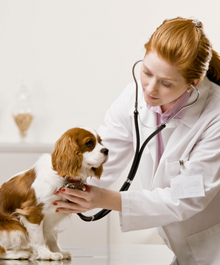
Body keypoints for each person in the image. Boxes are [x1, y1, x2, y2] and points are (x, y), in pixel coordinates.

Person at [53, 17, 220, 265]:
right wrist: (55, 187)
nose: (150, 88)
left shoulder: (215, 116)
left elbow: (185, 197)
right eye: (146, 72)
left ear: (193, 83)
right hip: (185, 249)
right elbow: (101, 161)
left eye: (166, 83)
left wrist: (101, 198)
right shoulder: (134, 98)